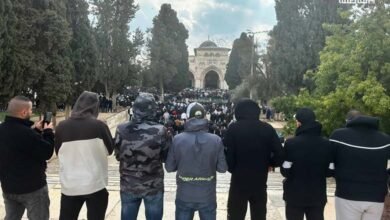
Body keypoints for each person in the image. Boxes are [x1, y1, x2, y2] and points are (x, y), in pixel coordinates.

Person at [54, 91, 114, 220]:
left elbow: (58, 152)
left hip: (70, 185)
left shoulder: (62, 126)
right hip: (95, 184)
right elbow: (110, 150)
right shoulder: (99, 126)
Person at [165, 102, 227, 220]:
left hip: (184, 195)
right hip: (207, 196)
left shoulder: (177, 139)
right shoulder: (216, 140)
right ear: (204, 116)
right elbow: (222, 169)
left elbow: (169, 167)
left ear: (187, 117)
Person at [223, 98, 283, 220]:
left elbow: (227, 153)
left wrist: (232, 168)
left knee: (235, 214)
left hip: (238, 180)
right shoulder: (267, 128)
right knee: (259, 214)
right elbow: (280, 154)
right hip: (260, 180)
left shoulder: (234, 128)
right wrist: (270, 163)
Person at [115, 93, 170, 220]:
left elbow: (118, 155)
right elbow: (165, 157)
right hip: (153, 187)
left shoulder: (121, 128)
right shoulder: (161, 130)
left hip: (128, 185)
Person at [0, 96, 54, 220]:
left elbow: (18, 146)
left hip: (9, 188)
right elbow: (47, 152)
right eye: (30, 110)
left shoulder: (2, 129)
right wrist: (48, 132)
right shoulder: (26, 133)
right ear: (23, 112)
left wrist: (35, 130)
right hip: (33, 189)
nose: (32, 112)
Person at [330, 110, 390, 220]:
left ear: (347, 121)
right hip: (376, 198)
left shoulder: (338, 136)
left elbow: (329, 164)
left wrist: (338, 175)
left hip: (346, 194)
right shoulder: (386, 140)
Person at [281, 108, 334, 220]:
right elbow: (330, 171)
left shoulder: (291, 144)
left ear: (299, 123)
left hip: (294, 194)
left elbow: (285, 170)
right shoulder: (327, 144)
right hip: (317, 194)